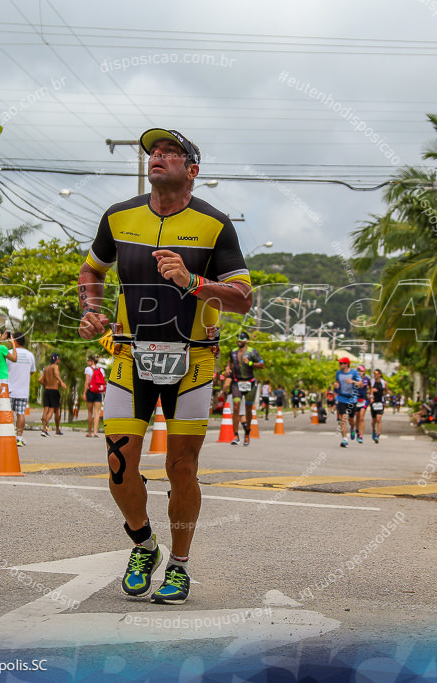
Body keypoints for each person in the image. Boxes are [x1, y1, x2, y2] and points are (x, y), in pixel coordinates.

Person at [77, 127, 252, 605]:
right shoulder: (119, 217)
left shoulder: (215, 225)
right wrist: (91, 309)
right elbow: (92, 270)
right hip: (130, 355)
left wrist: (192, 281)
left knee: (181, 468)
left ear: (191, 170)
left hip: (192, 359)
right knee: (118, 465)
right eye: (154, 151)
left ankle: (179, 565)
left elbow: (242, 298)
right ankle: (143, 543)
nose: (158, 156)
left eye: (170, 152)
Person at [228, 331, 264, 447]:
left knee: (248, 409)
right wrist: (228, 369)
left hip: (250, 383)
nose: (239, 340)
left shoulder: (252, 352)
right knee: (236, 407)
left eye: (242, 339)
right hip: (237, 383)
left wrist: (251, 363)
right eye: (238, 338)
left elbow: (262, 364)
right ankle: (235, 435)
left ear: (246, 341)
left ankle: (247, 434)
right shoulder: (233, 352)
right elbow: (229, 364)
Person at [6, 332, 37, 446]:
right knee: (21, 414)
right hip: (23, 391)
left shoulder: (9, 353)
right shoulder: (30, 355)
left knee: (8, 414)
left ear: (15, 341)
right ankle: (19, 438)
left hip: (9, 390)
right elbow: (32, 371)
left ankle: (8, 437)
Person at [333, 357, 362, 448]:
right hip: (341, 398)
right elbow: (337, 384)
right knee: (343, 419)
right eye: (340, 363)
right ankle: (345, 439)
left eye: (341, 363)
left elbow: (360, 384)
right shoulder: (338, 373)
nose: (340, 365)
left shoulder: (354, 373)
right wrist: (336, 386)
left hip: (351, 399)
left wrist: (352, 382)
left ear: (346, 364)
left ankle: (352, 429)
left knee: (351, 420)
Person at [39, 353, 66, 436]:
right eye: (59, 359)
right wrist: (61, 383)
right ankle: (45, 427)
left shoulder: (46, 368)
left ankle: (57, 429)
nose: (59, 360)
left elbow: (40, 380)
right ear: (56, 359)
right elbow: (56, 375)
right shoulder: (55, 367)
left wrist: (46, 384)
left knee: (48, 409)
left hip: (47, 390)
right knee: (52, 410)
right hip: (54, 391)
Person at [84, 355, 106, 438]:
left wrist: (84, 393)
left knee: (90, 412)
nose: (87, 362)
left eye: (88, 360)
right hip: (98, 392)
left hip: (90, 391)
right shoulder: (101, 370)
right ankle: (95, 432)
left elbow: (87, 382)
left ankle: (90, 432)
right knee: (97, 412)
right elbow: (102, 382)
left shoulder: (88, 369)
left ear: (92, 361)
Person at [353, 365, 371, 444]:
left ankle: (361, 435)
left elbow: (370, 387)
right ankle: (356, 430)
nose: (359, 373)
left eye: (361, 371)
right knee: (357, 418)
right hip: (356, 400)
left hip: (364, 400)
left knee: (361, 418)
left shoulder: (367, 379)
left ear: (364, 372)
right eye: (358, 371)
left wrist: (371, 395)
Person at [370, 369, 387, 443]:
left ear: (380, 374)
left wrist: (387, 400)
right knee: (374, 421)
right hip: (374, 402)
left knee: (379, 419)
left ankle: (378, 435)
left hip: (380, 402)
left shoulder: (384, 383)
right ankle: (374, 430)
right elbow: (370, 392)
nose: (375, 375)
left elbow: (386, 391)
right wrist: (371, 396)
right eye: (374, 374)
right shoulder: (372, 382)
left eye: (376, 373)